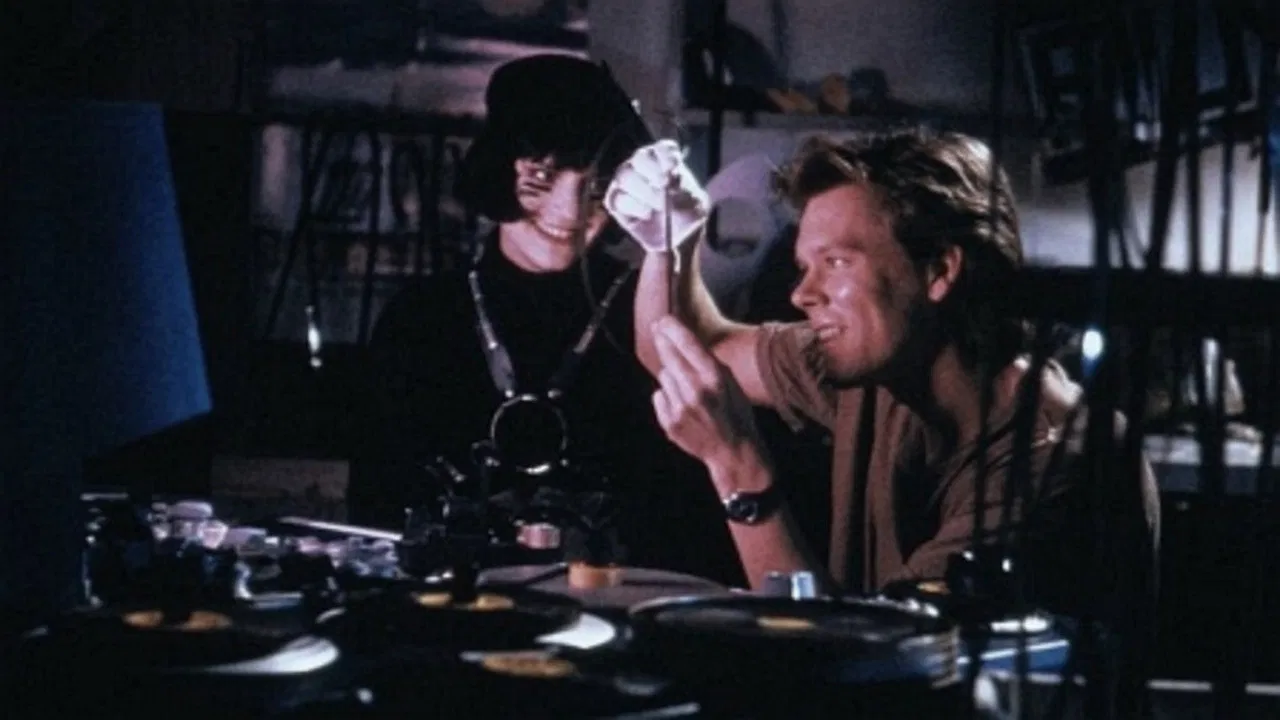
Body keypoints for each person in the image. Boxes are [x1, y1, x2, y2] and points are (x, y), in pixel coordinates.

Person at [604, 129, 1160, 624]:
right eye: (804, 267)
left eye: (836, 262)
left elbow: (848, 666)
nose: (802, 294)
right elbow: (686, 353)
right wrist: (670, 244)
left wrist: (739, 471)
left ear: (939, 270)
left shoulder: (1050, 465)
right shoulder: (884, 368)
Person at [348, 54, 741, 585]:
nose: (570, 211)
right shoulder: (420, 321)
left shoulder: (649, 314)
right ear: (499, 166)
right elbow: (373, 517)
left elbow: (695, 528)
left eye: (595, 182)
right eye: (542, 174)